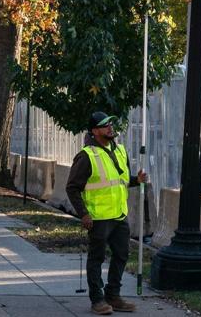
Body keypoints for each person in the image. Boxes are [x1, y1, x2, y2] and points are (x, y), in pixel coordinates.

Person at [65, 111, 147, 315]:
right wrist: (83, 214)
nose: (110, 128)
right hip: (98, 218)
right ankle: (98, 300)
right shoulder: (86, 156)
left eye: (111, 123)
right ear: (94, 131)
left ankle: (114, 296)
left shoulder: (120, 150)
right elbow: (72, 188)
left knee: (121, 255)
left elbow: (122, 180)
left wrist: (137, 180)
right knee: (97, 258)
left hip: (119, 215)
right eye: (104, 125)